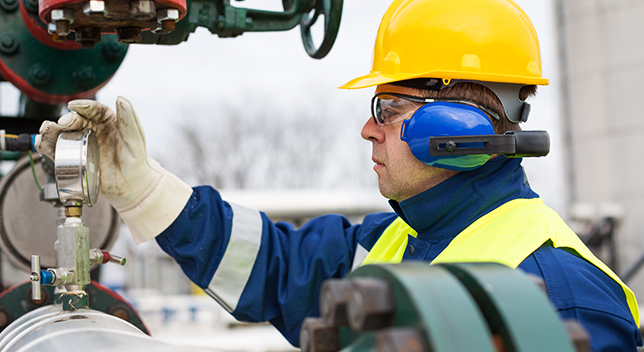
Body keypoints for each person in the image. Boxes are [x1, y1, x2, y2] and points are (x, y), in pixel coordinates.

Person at [35, 0, 642, 350]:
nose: (368, 130)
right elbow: (269, 266)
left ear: (457, 127)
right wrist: (143, 188)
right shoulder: (389, 242)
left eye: (389, 109)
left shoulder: (563, 296)